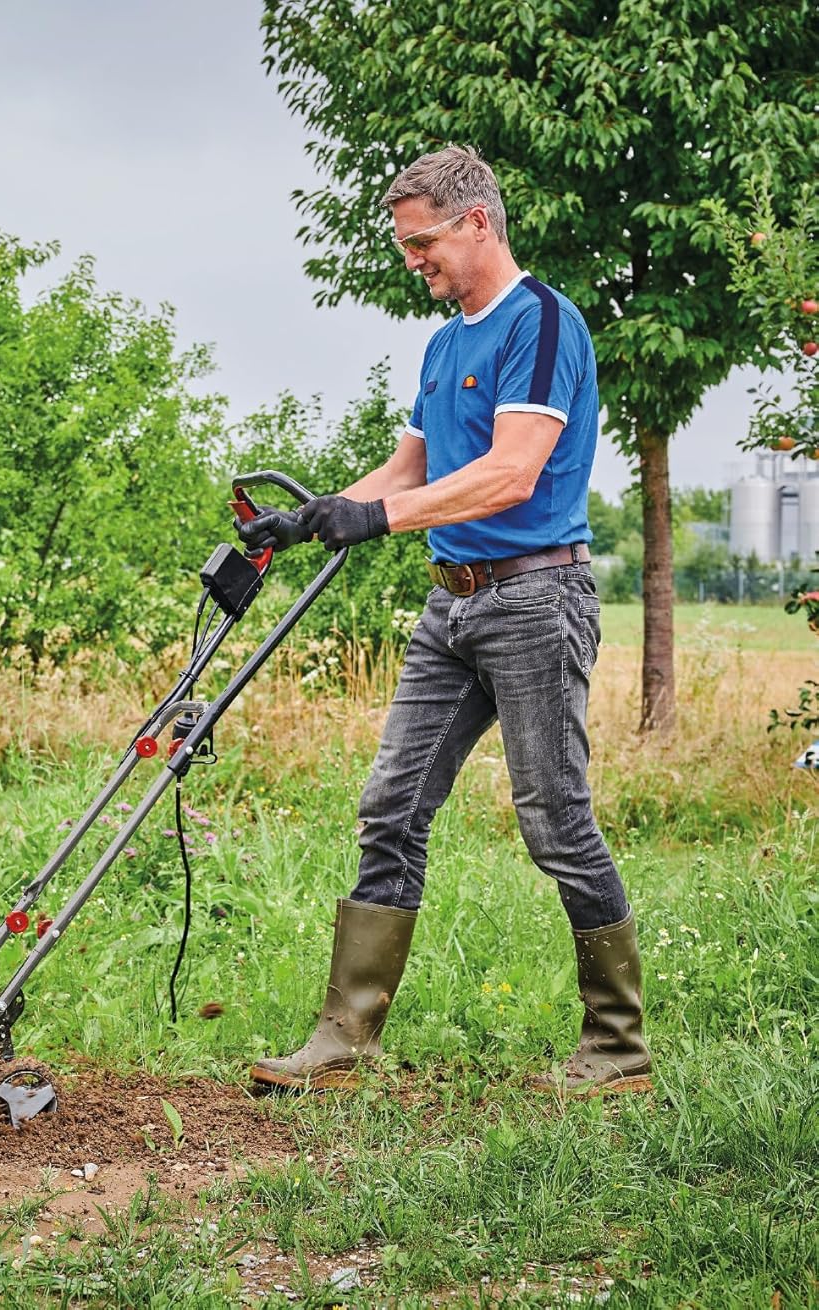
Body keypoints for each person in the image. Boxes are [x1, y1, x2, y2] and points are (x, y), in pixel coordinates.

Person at [237, 145, 651, 1096]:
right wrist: (310, 518)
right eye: (404, 243)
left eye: (422, 241)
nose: (412, 259)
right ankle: (343, 1043)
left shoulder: (541, 323)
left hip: (537, 599)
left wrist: (375, 519)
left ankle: (619, 1048)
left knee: (554, 820)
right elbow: (406, 473)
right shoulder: (443, 342)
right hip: (453, 606)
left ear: (477, 223)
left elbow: (511, 471)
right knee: (390, 807)